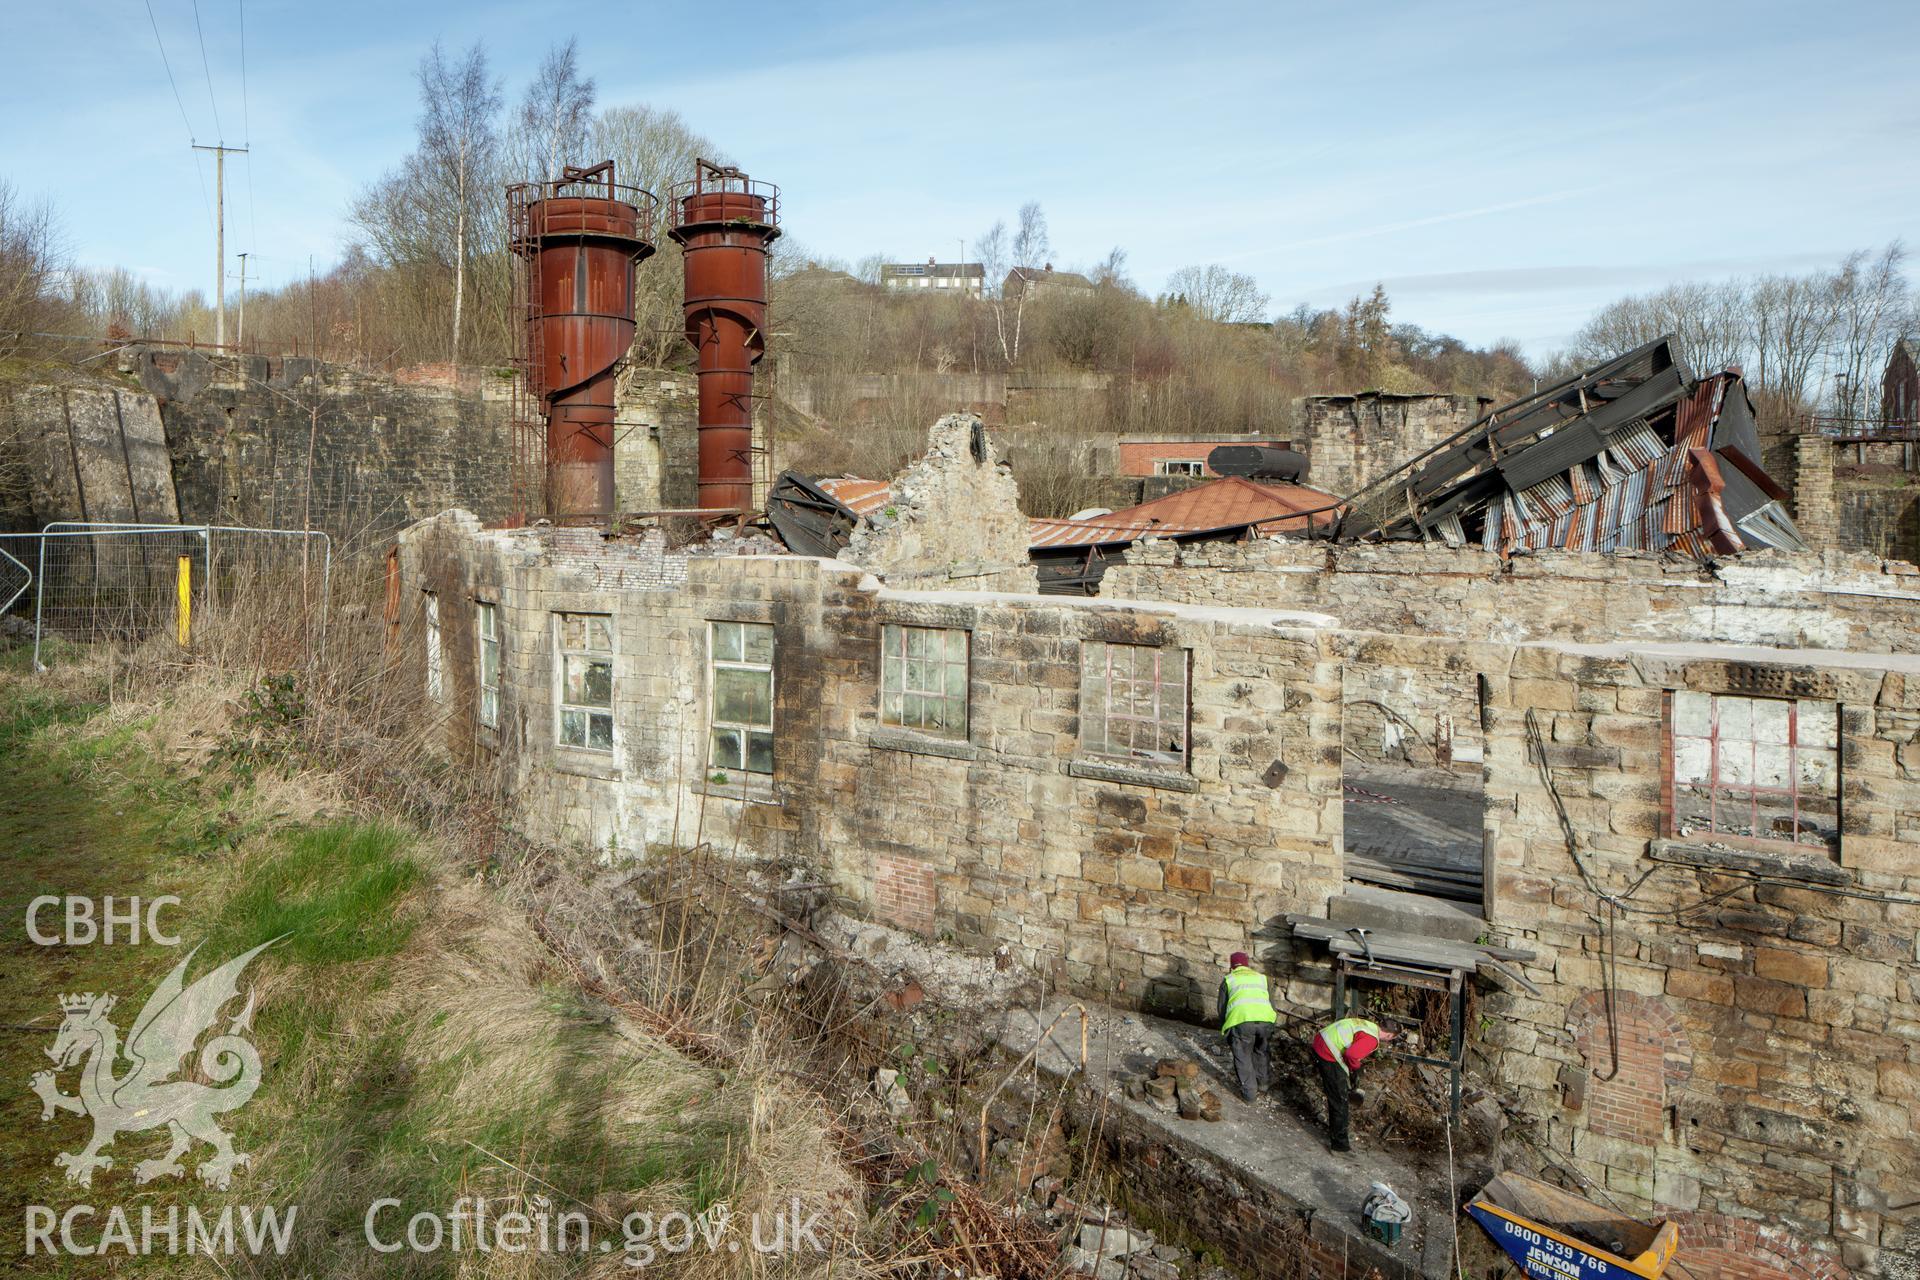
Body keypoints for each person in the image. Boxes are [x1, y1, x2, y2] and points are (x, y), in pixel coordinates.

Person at [1311, 1015, 1397, 1152]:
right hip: (1327, 1052)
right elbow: (1351, 1055)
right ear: (1390, 1036)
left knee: (1338, 1091)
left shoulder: (1367, 1025)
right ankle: (1340, 1145)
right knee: (1339, 1100)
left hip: (1320, 1040)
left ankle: (1338, 1136)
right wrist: (1357, 1069)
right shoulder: (1372, 1039)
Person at [1216, 952, 1277, 1103]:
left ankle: (1249, 1094)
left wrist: (1226, 1029)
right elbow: (1272, 1003)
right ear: (1247, 964)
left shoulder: (1229, 980)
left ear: (1232, 966)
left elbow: (1222, 1009)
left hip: (1242, 1022)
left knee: (1243, 1056)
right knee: (1261, 1051)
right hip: (1266, 1021)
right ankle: (1263, 1084)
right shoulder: (1262, 978)